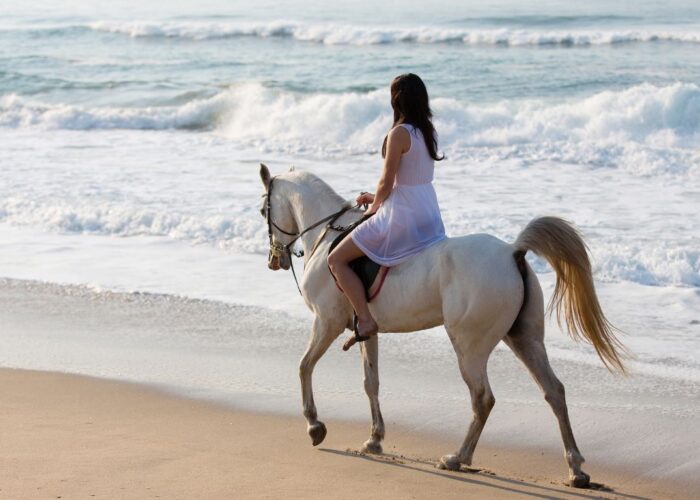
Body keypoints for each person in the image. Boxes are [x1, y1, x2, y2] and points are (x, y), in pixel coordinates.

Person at [327, 73, 447, 345]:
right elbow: (411, 179)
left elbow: (387, 179)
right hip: (427, 210)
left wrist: (375, 206)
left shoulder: (399, 133)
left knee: (335, 259)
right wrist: (376, 196)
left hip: (402, 214)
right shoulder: (428, 131)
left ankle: (366, 319)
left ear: (397, 100)